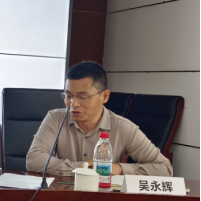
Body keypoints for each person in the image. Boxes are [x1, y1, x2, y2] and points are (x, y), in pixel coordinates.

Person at [26, 61, 172, 177]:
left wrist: (119, 168)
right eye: (68, 96)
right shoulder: (55, 119)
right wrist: (84, 169)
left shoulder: (124, 127)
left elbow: (164, 169)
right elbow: (34, 160)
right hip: (63, 194)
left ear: (105, 96)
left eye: (82, 97)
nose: (73, 104)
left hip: (105, 197)